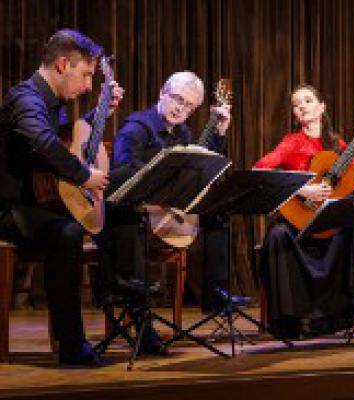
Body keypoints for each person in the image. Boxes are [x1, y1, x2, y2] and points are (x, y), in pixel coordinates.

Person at [95, 71, 243, 354]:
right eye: (176, 99)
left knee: (218, 213)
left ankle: (214, 292)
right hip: (131, 215)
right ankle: (142, 323)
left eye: (188, 106)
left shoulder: (183, 132)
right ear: (163, 92)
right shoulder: (136, 128)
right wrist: (158, 176)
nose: (180, 109)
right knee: (133, 215)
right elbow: (119, 178)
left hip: (164, 214)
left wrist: (219, 135)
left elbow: (202, 169)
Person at [0, 29, 123, 366]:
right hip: (10, 208)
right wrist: (85, 175)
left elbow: (66, 144)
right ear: (62, 64)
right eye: (85, 75)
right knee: (66, 233)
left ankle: (131, 314)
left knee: (119, 213)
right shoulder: (25, 99)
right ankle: (72, 345)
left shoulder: (55, 106)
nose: (87, 85)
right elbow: (43, 144)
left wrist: (100, 115)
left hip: (38, 203)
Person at [254, 84, 354, 339]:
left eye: (307, 101)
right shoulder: (291, 143)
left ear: (322, 107)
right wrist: (301, 190)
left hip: (329, 222)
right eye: (296, 104)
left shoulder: (337, 145)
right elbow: (260, 169)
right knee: (277, 235)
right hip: (301, 223)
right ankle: (295, 319)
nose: (301, 106)